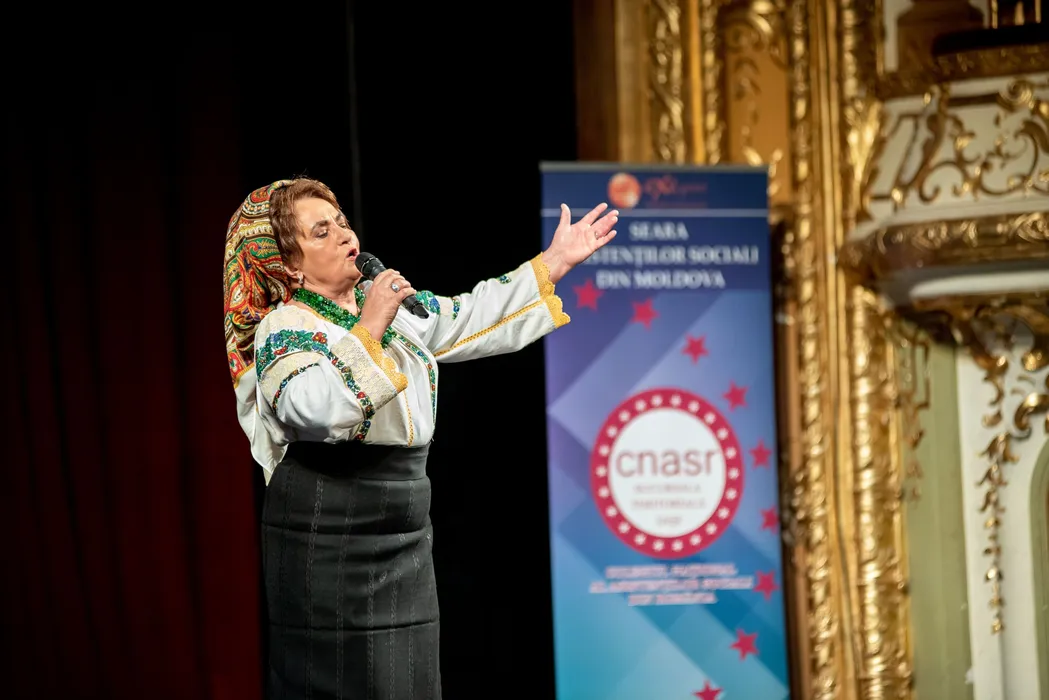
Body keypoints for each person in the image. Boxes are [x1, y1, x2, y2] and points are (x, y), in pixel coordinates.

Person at [223, 178, 617, 699]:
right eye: (321, 231)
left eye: (341, 222)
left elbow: (469, 315)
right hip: (329, 525)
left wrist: (554, 261)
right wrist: (369, 324)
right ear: (290, 265)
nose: (343, 234)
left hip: (402, 527)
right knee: (340, 681)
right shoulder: (285, 326)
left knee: (408, 680)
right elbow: (314, 409)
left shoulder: (393, 312)